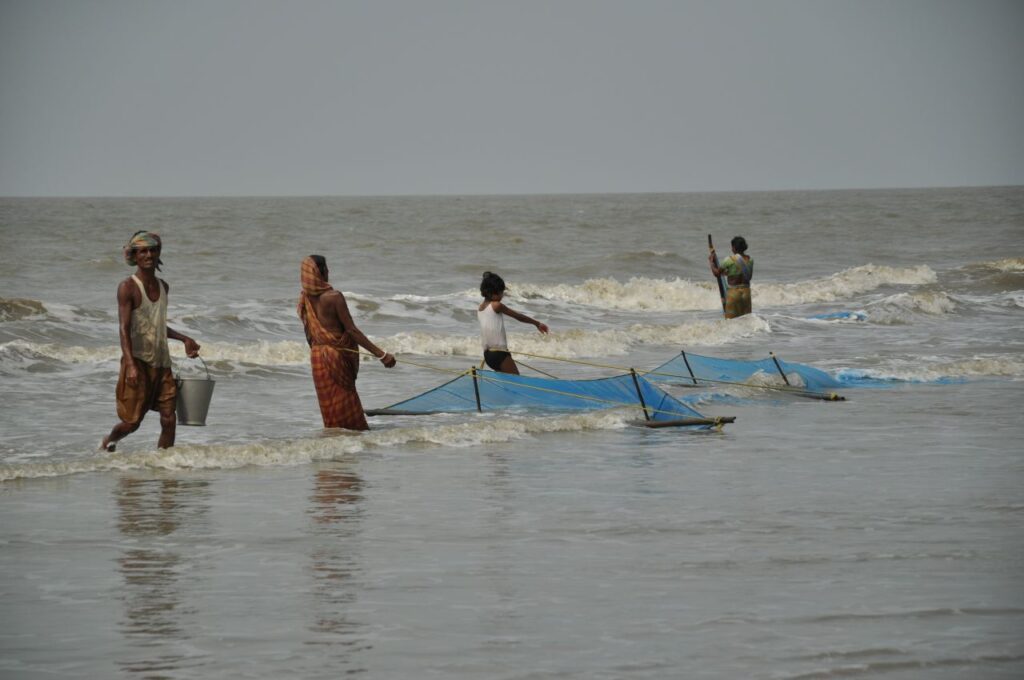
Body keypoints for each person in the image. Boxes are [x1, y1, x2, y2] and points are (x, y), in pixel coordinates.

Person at [101, 231, 201, 451]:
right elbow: (124, 328)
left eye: (153, 250)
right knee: (131, 423)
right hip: (137, 362)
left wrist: (184, 339)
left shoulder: (164, 287)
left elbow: (156, 326)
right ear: (134, 256)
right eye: (143, 251)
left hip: (162, 363)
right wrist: (130, 365)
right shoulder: (127, 287)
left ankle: (164, 465)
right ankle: (109, 441)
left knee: (169, 418)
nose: (149, 255)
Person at [298, 255, 396, 431]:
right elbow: (352, 330)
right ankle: (353, 435)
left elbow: (310, 335)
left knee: (329, 404)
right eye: (326, 268)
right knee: (346, 400)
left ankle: (337, 439)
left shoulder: (304, 300)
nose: (329, 272)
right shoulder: (334, 297)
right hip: (335, 356)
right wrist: (381, 355)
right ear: (319, 272)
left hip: (318, 357)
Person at [477, 271, 549, 374]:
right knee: (516, 382)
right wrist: (537, 323)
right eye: (501, 292)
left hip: (488, 356)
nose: (502, 296)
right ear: (493, 293)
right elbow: (518, 317)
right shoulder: (496, 305)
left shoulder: (480, 308)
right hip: (499, 353)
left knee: (506, 383)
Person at [709, 236, 754, 319]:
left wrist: (711, 262)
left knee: (730, 322)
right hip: (747, 293)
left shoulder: (729, 260)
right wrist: (727, 273)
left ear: (734, 247)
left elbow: (717, 273)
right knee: (746, 321)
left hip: (734, 294)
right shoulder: (750, 260)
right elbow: (747, 276)